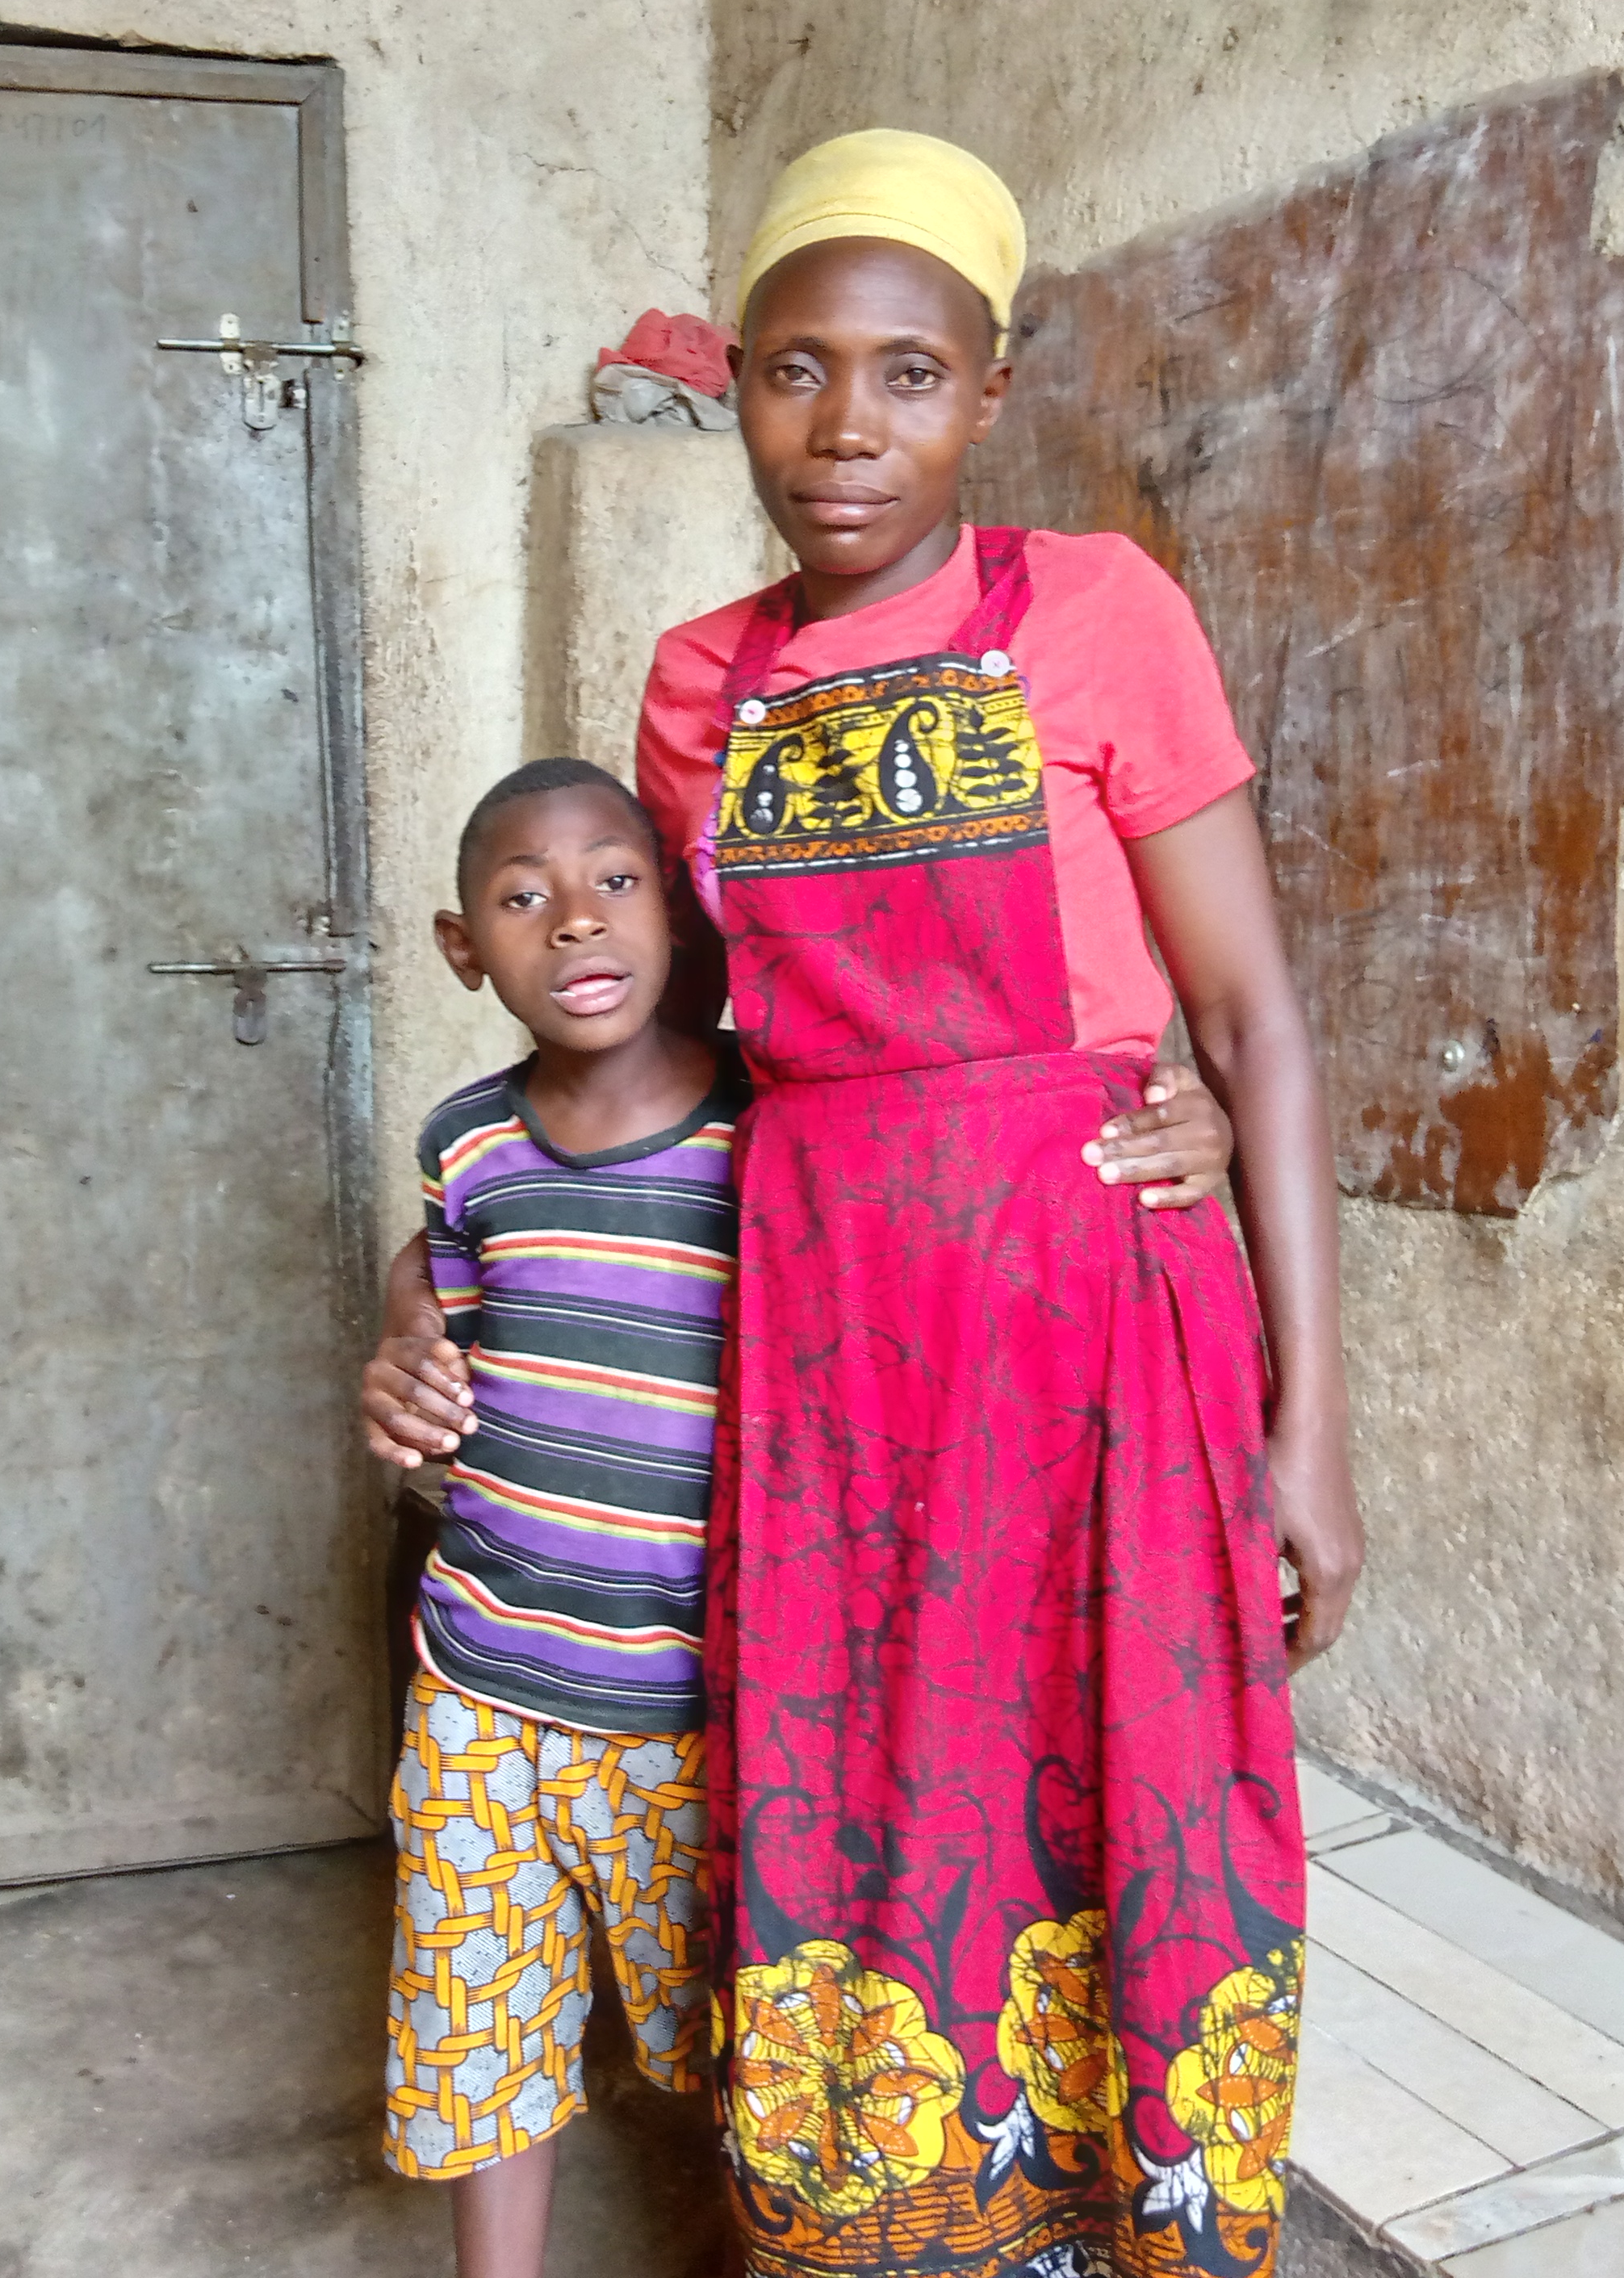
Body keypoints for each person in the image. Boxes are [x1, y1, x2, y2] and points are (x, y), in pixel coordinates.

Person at [645, 129, 1360, 2278]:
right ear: (740, 386)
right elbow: (669, 1047)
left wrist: (1312, 1430)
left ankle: (1131, 2229)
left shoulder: (1102, 615)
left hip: (1096, 1321)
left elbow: (1251, 1022)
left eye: (906, 373)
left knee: (1129, 1780)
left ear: (988, 387)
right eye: (794, 369)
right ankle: (887, 2227)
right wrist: (446, 1248)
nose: (846, 427)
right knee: (857, 1786)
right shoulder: (698, 688)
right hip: (829, 1335)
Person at [371, 756, 748, 2278]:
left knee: (740, 2044)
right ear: (466, 949)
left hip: (691, 1707)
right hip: (480, 1684)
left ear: (676, 906)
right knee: (483, 2032)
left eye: (614, 882)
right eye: (523, 900)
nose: (575, 926)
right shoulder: (470, 1145)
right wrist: (401, 1352)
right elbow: (437, 1312)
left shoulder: (771, 1119)